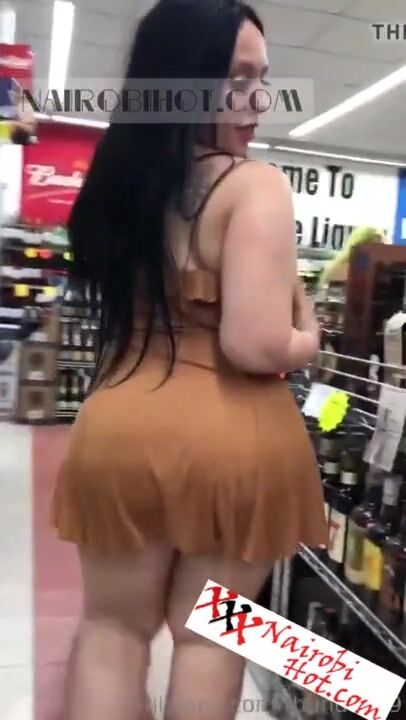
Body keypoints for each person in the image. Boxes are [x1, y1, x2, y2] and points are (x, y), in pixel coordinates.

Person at [51, 1, 327, 718]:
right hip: (232, 441)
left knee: (112, 630)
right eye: (237, 79)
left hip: (118, 428)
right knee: (211, 639)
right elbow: (254, 344)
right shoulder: (252, 185)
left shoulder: (118, 187)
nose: (258, 100)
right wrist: (309, 336)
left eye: (263, 79)